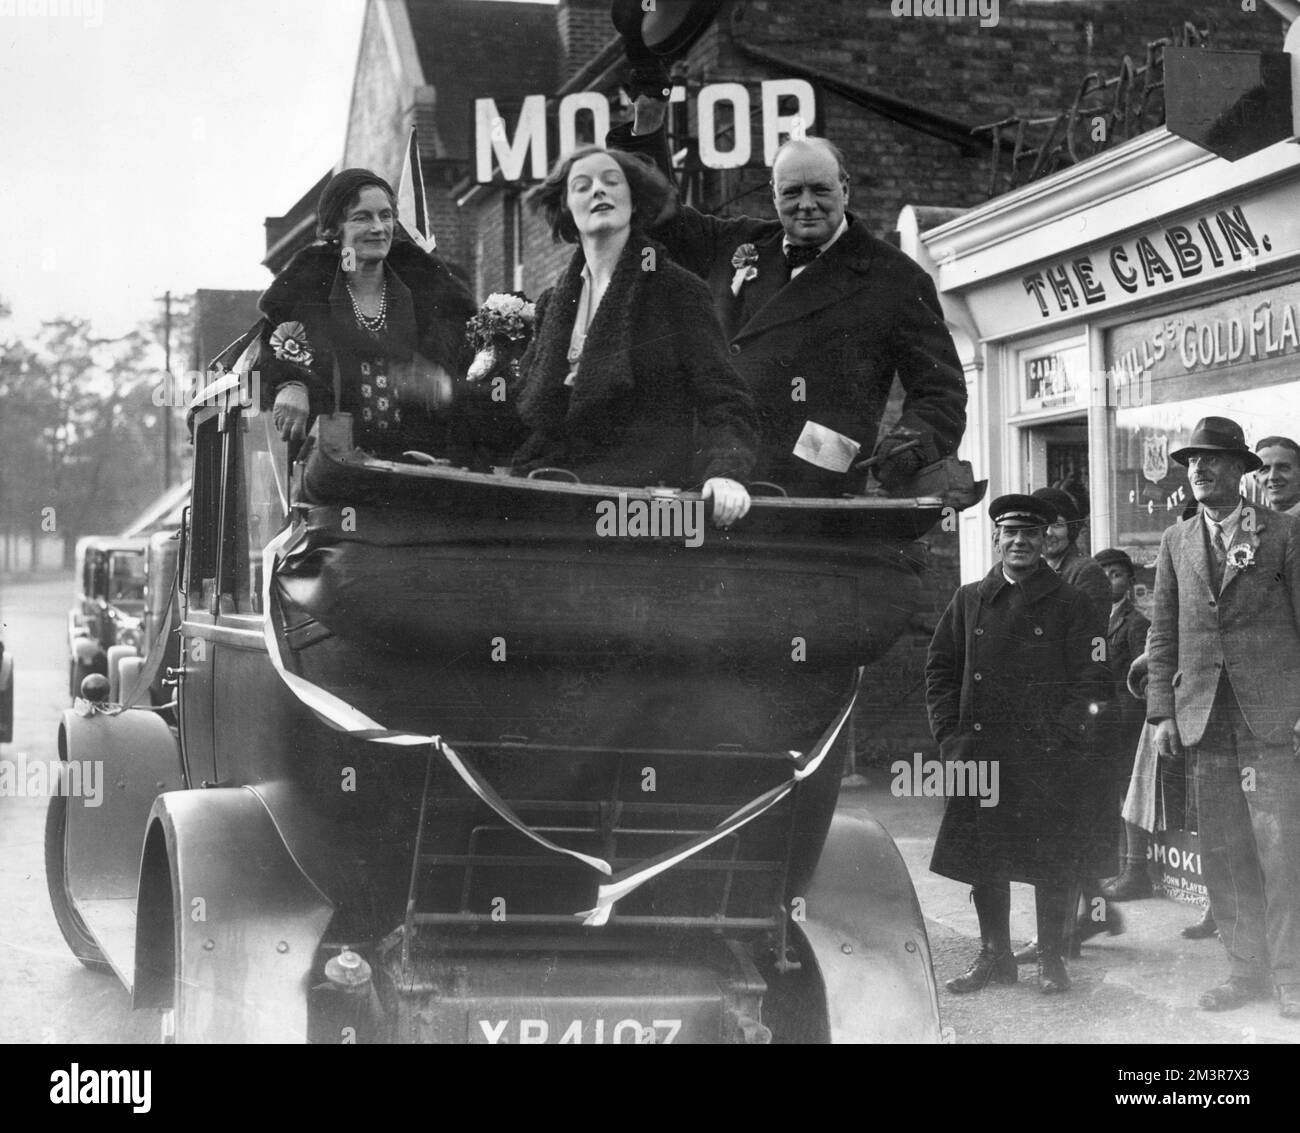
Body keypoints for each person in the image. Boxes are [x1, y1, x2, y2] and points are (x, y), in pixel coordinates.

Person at [608, 96, 966, 497]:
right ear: (773, 195)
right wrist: (647, 129)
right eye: (792, 192)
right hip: (715, 470)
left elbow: (941, 390)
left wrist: (908, 446)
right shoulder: (738, 241)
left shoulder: (896, 277)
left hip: (813, 482)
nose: (807, 205)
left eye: (821, 190)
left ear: (845, 189)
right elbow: (661, 215)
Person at [509, 146, 758, 524]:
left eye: (612, 182)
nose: (598, 191)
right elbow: (522, 404)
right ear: (565, 207)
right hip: (553, 496)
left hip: (638, 509)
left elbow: (724, 399)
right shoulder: (552, 303)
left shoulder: (677, 290)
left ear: (635, 199)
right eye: (582, 185)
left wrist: (725, 471)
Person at [926, 494, 1111, 995]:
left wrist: (1063, 736)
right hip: (981, 755)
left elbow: (1094, 679)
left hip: (1047, 757)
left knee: (1051, 859)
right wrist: (950, 736)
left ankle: (1052, 958)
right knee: (986, 861)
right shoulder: (969, 599)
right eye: (1010, 533)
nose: (1019, 542)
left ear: (1045, 540)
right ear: (996, 539)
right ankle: (994, 956)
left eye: (1030, 534)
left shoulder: (1072, 602)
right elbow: (940, 670)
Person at [1147, 415, 1300, 1018]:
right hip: (1203, 720)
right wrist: (1161, 713)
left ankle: (1290, 976)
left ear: (1242, 471)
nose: (1200, 470)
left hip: (1271, 720)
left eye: (1212, 460)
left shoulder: (1285, 534)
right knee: (1223, 850)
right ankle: (1246, 973)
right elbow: (1163, 633)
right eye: (1191, 462)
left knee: (1280, 850)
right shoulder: (1175, 541)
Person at [259, 168, 476, 458]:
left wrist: (445, 386)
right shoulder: (305, 290)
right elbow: (268, 352)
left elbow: (475, 385)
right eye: (362, 217)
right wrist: (291, 383)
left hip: (423, 469)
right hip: (334, 468)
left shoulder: (433, 292)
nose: (378, 227)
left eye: (385, 216)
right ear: (335, 228)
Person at [1095, 549, 1153, 903]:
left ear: (1130, 583)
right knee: (1106, 794)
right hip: (1098, 722)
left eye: (1115, 574)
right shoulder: (1091, 621)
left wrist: (1118, 721)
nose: (1108, 581)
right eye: (1102, 573)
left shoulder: (1136, 624)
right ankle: (1114, 866)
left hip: (1125, 726)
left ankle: (1136, 872)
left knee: (1129, 794)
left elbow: (1139, 683)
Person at [1255, 435, 1300, 516]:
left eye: (1283, 468)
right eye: (1264, 470)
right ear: (1257, 480)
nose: (1272, 477)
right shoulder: (1257, 523)